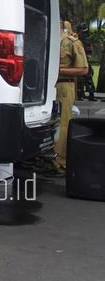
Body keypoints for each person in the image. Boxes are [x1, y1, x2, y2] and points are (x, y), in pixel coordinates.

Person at [54, 20, 89, 172]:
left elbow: (83, 69)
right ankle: (50, 157)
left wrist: (58, 70)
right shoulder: (51, 42)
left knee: (63, 124)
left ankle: (60, 163)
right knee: (52, 123)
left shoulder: (71, 42)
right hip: (50, 86)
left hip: (64, 86)